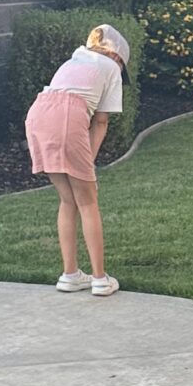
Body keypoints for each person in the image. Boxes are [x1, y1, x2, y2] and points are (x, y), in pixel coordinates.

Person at [25, 23, 130, 298]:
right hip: (69, 117)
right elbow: (101, 121)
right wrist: (88, 163)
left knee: (67, 199)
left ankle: (70, 275)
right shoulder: (111, 70)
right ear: (118, 57)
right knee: (88, 199)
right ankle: (99, 279)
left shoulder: (72, 61)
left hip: (38, 113)